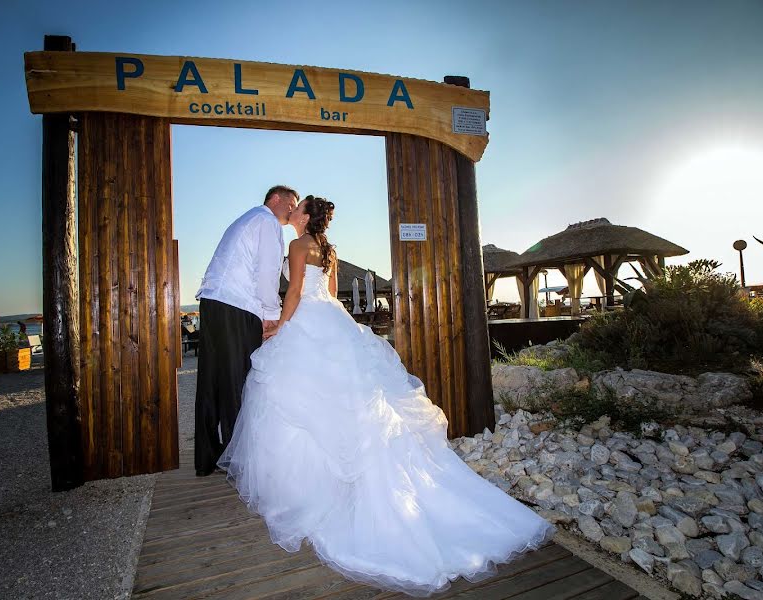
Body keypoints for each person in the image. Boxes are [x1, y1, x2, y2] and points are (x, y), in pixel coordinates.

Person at [219, 196, 553, 596]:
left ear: (305, 217)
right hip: (333, 321)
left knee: (295, 398)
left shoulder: (296, 246)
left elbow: (293, 294)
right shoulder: (328, 249)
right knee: (350, 399)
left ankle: (310, 491)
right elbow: (327, 291)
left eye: (298, 208)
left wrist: (278, 328)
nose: (292, 212)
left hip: (306, 320)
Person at [194, 185, 299, 476]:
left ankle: (206, 457)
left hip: (214, 302)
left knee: (211, 381)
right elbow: (266, 274)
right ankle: (237, 461)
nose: (292, 211)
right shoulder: (267, 222)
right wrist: (271, 315)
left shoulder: (248, 218)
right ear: (275, 199)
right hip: (237, 306)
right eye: (291, 204)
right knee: (236, 382)